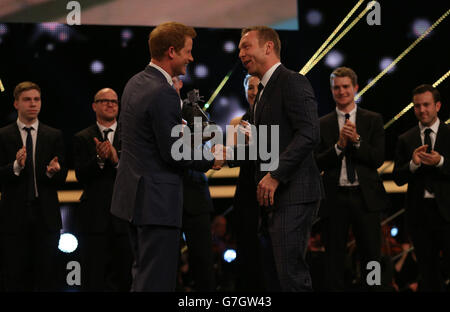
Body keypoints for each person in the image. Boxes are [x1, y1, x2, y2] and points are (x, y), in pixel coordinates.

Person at [110, 22, 225, 292]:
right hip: (157, 205)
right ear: (171, 51)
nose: (191, 58)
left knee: (143, 277)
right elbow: (174, 153)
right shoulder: (163, 92)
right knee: (156, 282)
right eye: (188, 51)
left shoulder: (135, 82)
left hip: (133, 201)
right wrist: (210, 159)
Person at [236, 26, 323, 291]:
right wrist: (222, 154)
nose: (240, 54)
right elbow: (268, 144)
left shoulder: (292, 81)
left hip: (293, 193)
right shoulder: (262, 91)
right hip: (274, 199)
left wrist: (275, 175)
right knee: (276, 277)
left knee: (291, 276)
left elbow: (309, 133)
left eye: (246, 47)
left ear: (268, 47)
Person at [315, 67, 389, 291]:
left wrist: (356, 140)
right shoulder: (322, 124)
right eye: (337, 87)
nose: (341, 91)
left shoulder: (372, 120)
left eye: (346, 86)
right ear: (331, 90)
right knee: (333, 256)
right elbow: (317, 161)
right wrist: (338, 147)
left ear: (355, 88)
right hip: (334, 198)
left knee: (371, 255)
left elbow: (377, 159)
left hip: (365, 198)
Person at [0, 81, 67, 291]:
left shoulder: (53, 135)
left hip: (46, 216)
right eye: (27, 100)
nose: (33, 104)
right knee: (15, 277)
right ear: (16, 104)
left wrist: (52, 171)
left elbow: (61, 177)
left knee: (46, 276)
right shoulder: (3, 135)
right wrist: (15, 166)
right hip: (14, 217)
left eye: (36, 99)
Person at [72, 88, 133, 291]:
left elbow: (137, 172)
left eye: (114, 101)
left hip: (125, 218)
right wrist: (99, 159)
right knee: (93, 277)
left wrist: (116, 161)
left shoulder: (131, 135)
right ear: (94, 106)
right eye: (104, 101)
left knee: (125, 275)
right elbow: (80, 175)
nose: (110, 104)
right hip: (94, 219)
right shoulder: (82, 137)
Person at [393, 84, 450, 291]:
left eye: (426, 105)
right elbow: (398, 178)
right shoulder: (405, 139)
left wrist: (441, 162)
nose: (422, 110)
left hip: (447, 212)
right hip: (419, 216)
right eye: (417, 106)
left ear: (438, 106)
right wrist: (413, 164)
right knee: (427, 272)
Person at [173, 76, 216, 292]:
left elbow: (209, 136)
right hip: (164, 198)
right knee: (166, 265)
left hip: (195, 197)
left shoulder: (193, 109)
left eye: (172, 80)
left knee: (203, 263)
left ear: (179, 84)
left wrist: (188, 141)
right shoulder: (153, 111)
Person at [228, 74, 264, 291]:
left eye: (258, 87)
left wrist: (256, 142)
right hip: (247, 190)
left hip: (270, 188)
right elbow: (234, 158)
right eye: (250, 87)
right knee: (246, 249)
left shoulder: (276, 118)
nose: (254, 91)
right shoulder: (237, 122)